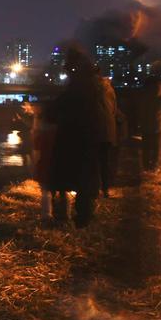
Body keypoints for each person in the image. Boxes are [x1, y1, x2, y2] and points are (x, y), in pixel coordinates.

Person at [48, 44, 110, 228]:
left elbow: (60, 107)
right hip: (90, 136)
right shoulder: (95, 85)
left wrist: (48, 112)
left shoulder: (80, 86)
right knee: (85, 176)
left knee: (74, 176)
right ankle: (82, 216)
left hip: (76, 137)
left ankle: (77, 218)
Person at [138, 74, 161, 172]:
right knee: (156, 147)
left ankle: (146, 165)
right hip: (159, 124)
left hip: (146, 123)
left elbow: (141, 108)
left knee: (146, 147)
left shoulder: (144, 93)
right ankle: (154, 166)